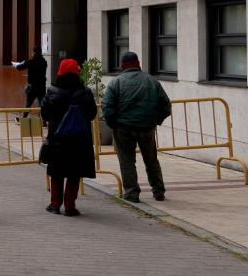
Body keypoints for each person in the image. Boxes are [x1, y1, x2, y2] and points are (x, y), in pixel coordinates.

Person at [102, 51, 172, 203]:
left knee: (127, 161)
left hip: (123, 127)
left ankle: (132, 193)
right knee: (151, 160)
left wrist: (113, 124)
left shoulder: (116, 82)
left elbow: (107, 106)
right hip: (147, 127)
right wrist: (155, 121)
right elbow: (166, 106)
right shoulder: (152, 81)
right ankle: (158, 191)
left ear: (122, 66)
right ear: (138, 64)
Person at [39, 58, 97, 216]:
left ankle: (55, 205)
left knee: (56, 172)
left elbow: (44, 113)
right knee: (74, 173)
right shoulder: (86, 92)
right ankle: (70, 207)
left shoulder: (52, 92)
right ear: (77, 74)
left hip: (58, 139)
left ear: (60, 74)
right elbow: (92, 114)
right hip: (80, 140)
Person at [13, 46, 48, 118]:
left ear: (34, 53)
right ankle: (44, 120)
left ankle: (23, 118)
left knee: (28, 103)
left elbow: (20, 67)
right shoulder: (44, 62)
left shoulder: (31, 62)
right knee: (42, 103)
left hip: (32, 86)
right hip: (41, 85)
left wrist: (16, 65)